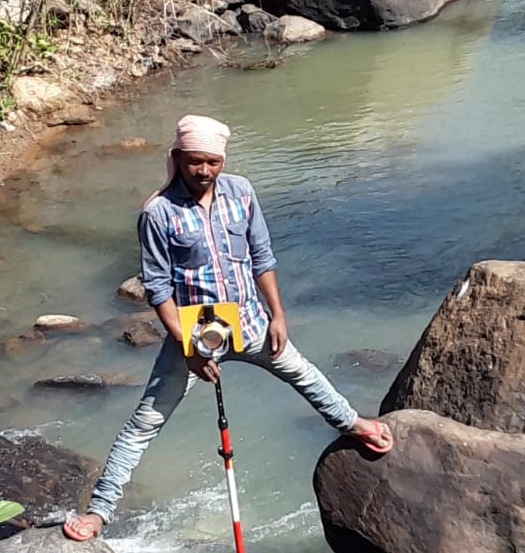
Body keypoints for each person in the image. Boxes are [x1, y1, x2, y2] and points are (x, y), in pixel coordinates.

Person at [62, 115, 393, 542]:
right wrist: (188, 348)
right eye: (195, 161)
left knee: (304, 374)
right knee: (145, 422)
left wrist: (278, 315)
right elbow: (157, 289)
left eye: (212, 162)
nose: (204, 171)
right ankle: (99, 511)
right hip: (195, 333)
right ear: (178, 157)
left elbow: (262, 258)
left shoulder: (242, 192)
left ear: (223, 160)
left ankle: (353, 424)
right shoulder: (157, 213)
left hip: (251, 321)